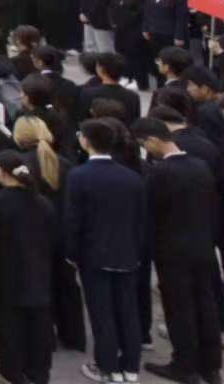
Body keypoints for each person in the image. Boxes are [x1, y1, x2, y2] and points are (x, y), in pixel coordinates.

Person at [134, 116, 221, 384]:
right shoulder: (200, 166)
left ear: (152, 140)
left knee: (179, 308)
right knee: (205, 304)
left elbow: (150, 215)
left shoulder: (159, 173)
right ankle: (211, 366)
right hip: (203, 246)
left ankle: (184, 364)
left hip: (172, 251)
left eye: (144, 144)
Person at [63, 119, 144, 383]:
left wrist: (71, 253)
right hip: (127, 252)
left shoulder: (79, 176)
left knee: (101, 312)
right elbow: (141, 219)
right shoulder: (132, 178)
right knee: (128, 310)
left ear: (86, 141)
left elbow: (74, 220)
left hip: (93, 253)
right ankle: (131, 366)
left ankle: (107, 366)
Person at [0, 151, 57, 384]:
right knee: (39, 324)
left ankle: (11, 370)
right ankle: (38, 371)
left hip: (6, 273)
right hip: (40, 271)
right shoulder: (44, 203)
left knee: (10, 325)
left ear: (0, 171)